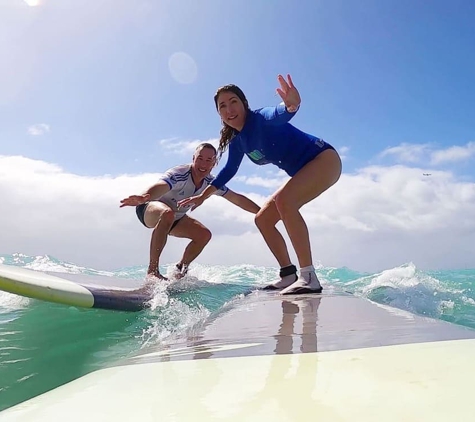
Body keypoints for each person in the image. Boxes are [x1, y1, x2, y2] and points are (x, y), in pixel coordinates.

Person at [178, 75, 342, 294]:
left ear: (244, 104)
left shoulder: (261, 118)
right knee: (263, 219)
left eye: (233, 101)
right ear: (219, 114)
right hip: (304, 170)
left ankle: (309, 276)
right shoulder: (238, 141)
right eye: (222, 106)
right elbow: (228, 171)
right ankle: (288, 274)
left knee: (286, 202)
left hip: (324, 159)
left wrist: (292, 105)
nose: (229, 109)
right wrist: (203, 196)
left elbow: (281, 113)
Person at [120, 142, 260, 280]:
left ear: (214, 164)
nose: (203, 164)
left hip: (175, 218)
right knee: (167, 213)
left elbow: (237, 199)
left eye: (208, 160)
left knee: (204, 235)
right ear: (193, 159)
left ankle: (180, 270)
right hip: (148, 207)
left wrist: (262, 212)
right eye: (200, 159)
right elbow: (161, 186)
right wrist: (146, 196)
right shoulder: (180, 174)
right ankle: (152, 271)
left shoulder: (212, 184)